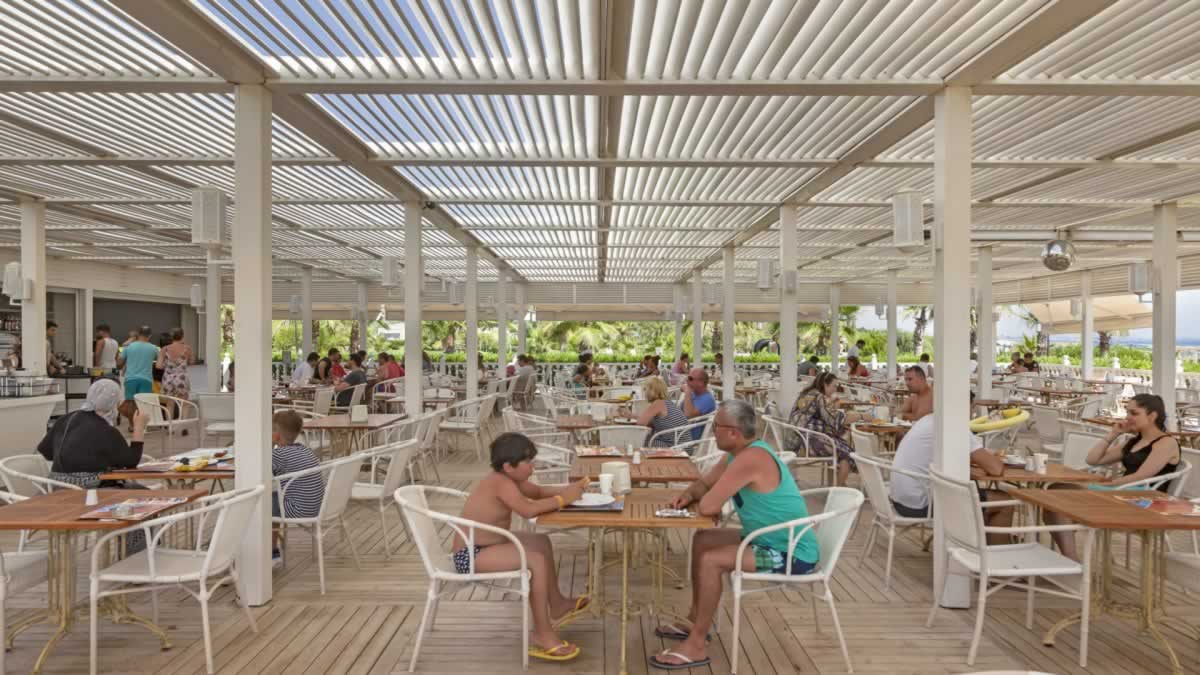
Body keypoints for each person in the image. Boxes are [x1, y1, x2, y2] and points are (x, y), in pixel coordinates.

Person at [652, 400, 819, 669]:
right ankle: (695, 621)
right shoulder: (737, 454)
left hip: (791, 552)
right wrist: (689, 494)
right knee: (703, 539)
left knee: (711, 560)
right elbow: (704, 484)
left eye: (716, 426)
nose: (712, 430)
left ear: (733, 432)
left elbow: (708, 506)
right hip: (765, 538)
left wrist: (705, 498)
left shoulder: (752, 459)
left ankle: (696, 644)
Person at [454, 433, 590, 662]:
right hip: (470, 554)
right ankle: (542, 633)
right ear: (509, 466)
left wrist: (569, 489)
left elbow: (537, 493)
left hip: (493, 543)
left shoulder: (510, 479)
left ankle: (557, 604)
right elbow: (527, 510)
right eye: (527, 462)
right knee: (535, 559)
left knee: (541, 542)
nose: (532, 467)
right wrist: (563, 500)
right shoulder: (499, 483)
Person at [1044, 394, 1182, 560]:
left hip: (1142, 499)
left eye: (1134, 413)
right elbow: (1093, 460)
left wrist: (1110, 485)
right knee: (1054, 495)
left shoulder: (1166, 442)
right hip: (1122, 492)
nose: (1128, 417)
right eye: (1127, 412)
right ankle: (1071, 559)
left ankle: (1071, 561)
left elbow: (1141, 476)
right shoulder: (1134, 442)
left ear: (1152, 416)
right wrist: (1113, 434)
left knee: (1060, 493)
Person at [889, 393, 1013, 543]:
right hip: (921, 504)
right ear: (965, 406)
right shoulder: (953, 424)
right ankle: (993, 555)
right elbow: (995, 469)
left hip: (900, 499)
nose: (972, 412)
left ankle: (975, 545)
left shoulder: (927, 420)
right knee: (1004, 501)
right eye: (972, 407)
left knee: (974, 494)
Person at [38, 379, 145, 486]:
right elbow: (131, 462)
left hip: (55, 485)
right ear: (113, 403)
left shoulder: (65, 419)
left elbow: (46, 452)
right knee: (140, 491)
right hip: (89, 489)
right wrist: (139, 427)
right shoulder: (107, 430)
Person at [788, 372, 862, 486]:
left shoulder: (807, 393)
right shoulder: (819, 396)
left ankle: (838, 484)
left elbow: (819, 414)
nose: (835, 389)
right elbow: (835, 419)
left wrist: (831, 405)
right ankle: (838, 487)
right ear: (825, 384)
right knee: (846, 452)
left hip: (794, 438)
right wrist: (861, 416)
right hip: (804, 442)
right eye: (834, 386)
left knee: (840, 444)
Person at [270, 410, 325, 564]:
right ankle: (272, 548)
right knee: (273, 499)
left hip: (298, 509)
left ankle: (270, 551)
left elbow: (258, 471)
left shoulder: (278, 455)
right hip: (317, 506)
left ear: (276, 435)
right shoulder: (305, 449)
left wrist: (269, 445)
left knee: (262, 503)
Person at [631, 376, 689, 447]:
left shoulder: (658, 403)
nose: (644, 392)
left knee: (641, 440)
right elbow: (652, 422)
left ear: (650, 391)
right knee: (648, 437)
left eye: (645, 389)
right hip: (685, 445)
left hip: (675, 447)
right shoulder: (667, 402)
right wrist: (631, 415)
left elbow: (641, 423)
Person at [118, 325, 159, 401]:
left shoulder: (128, 346)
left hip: (130, 379)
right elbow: (160, 363)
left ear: (139, 334)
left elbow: (119, 362)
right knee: (143, 404)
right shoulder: (154, 348)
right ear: (150, 335)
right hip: (146, 379)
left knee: (130, 403)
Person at [156, 327, 193, 403]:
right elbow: (191, 362)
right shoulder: (187, 349)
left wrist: (168, 366)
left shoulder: (164, 349)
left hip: (168, 379)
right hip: (181, 379)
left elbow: (158, 366)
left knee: (170, 404)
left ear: (171, 337)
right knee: (184, 404)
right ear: (182, 336)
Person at [681, 368, 717, 441]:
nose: (687, 380)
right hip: (680, 431)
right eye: (687, 377)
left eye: (690, 378)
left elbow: (689, 415)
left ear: (701, 382)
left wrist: (687, 392)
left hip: (686, 438)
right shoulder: (694, 393)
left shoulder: (707, 399)